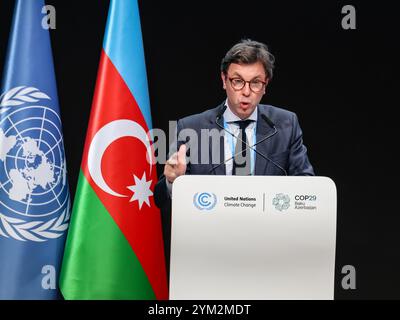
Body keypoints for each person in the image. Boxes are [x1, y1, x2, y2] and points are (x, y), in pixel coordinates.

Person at [154, 39, 314, 209]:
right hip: (211, 230)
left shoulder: (285, 124)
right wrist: (172, 181)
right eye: (237, 81)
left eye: (255, 83)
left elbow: (307, 184)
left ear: (265, 85)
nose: (246, 92)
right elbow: (160, 200)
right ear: (224, 80)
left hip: (267, 230)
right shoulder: (191, 128)